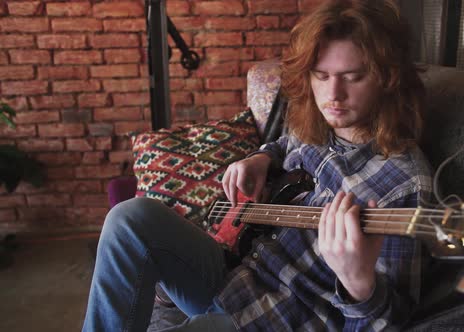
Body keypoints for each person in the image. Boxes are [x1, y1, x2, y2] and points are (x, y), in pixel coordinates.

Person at [82, 0, 432, 331]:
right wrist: (260, 158)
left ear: (387, 79)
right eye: (321, 76)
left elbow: (395, 320)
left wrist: (360, 284)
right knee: (130, 218)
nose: (333, 95)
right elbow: (284, 144)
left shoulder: (404, 183)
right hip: (237, 274)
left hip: (282, 317)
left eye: (352, 77)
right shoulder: (320, 124)